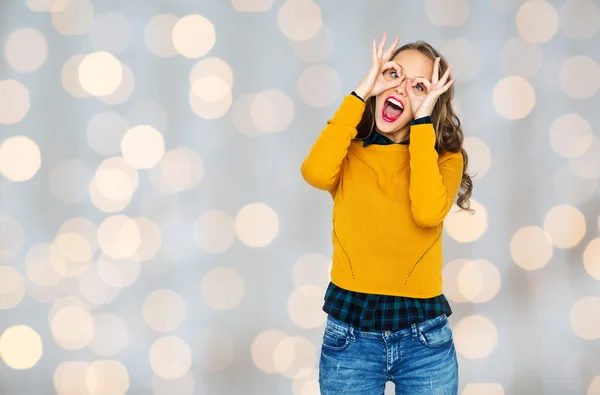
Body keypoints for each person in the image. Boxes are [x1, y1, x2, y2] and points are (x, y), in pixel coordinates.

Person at [300, 34, 473, 395]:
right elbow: (314, 172)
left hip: (424, 340)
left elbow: (427, 212)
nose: (402, 89)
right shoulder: (349, 152)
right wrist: (362, 90)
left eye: (419, 86)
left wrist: (422, 122)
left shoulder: (444, 158)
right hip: (350, 335)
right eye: (394, 75)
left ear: (432, 101)